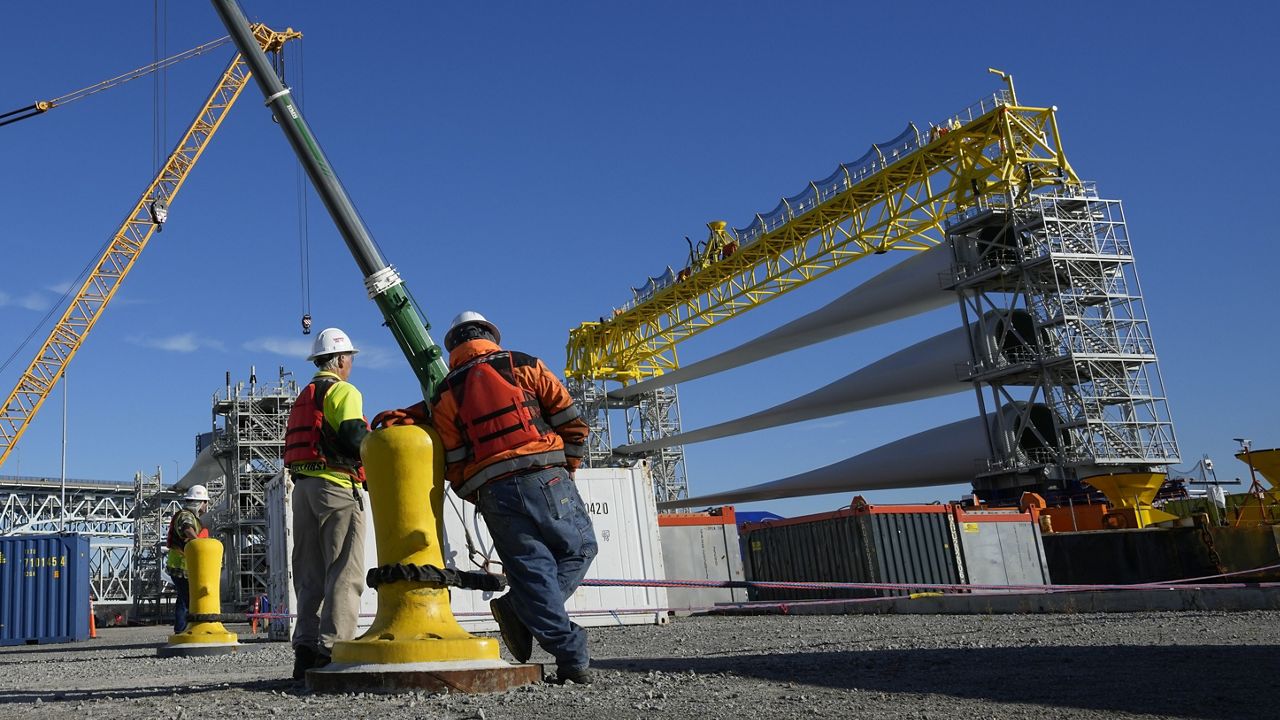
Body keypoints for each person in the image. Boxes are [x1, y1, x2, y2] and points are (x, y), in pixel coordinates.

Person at [372, 311, 596, 685]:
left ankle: (565, 649)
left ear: (454, 347)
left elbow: (454, 459)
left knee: (532, 572)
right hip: (547, 477)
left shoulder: (446, 392)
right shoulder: (524, 364)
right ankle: (525, 612)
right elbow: (569, 417)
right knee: (580, 548)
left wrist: (480, 494)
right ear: (491, 335)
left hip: (495, 491)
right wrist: (568, 466)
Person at [284, 327, 370, 681]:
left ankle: (305, 652)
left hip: (302, 490)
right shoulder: (342, 390)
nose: (351, 365)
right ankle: (333, 652)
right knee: (344, 570)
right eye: (349, 358)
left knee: (309, 574)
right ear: (339, 360)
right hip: (335, 487)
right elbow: (353, 437)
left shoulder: (304, 396)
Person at [165, 484, 210, 634]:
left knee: (183, 598)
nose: (206, 506)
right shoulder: (186, 516)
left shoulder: (191, 517)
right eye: (206, 502)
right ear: (200, 502)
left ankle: (182, 629)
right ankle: (182, 630)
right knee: (186, 599)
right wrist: (198, 543)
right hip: (181, 566)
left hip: (182, 566)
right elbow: (187, 528)